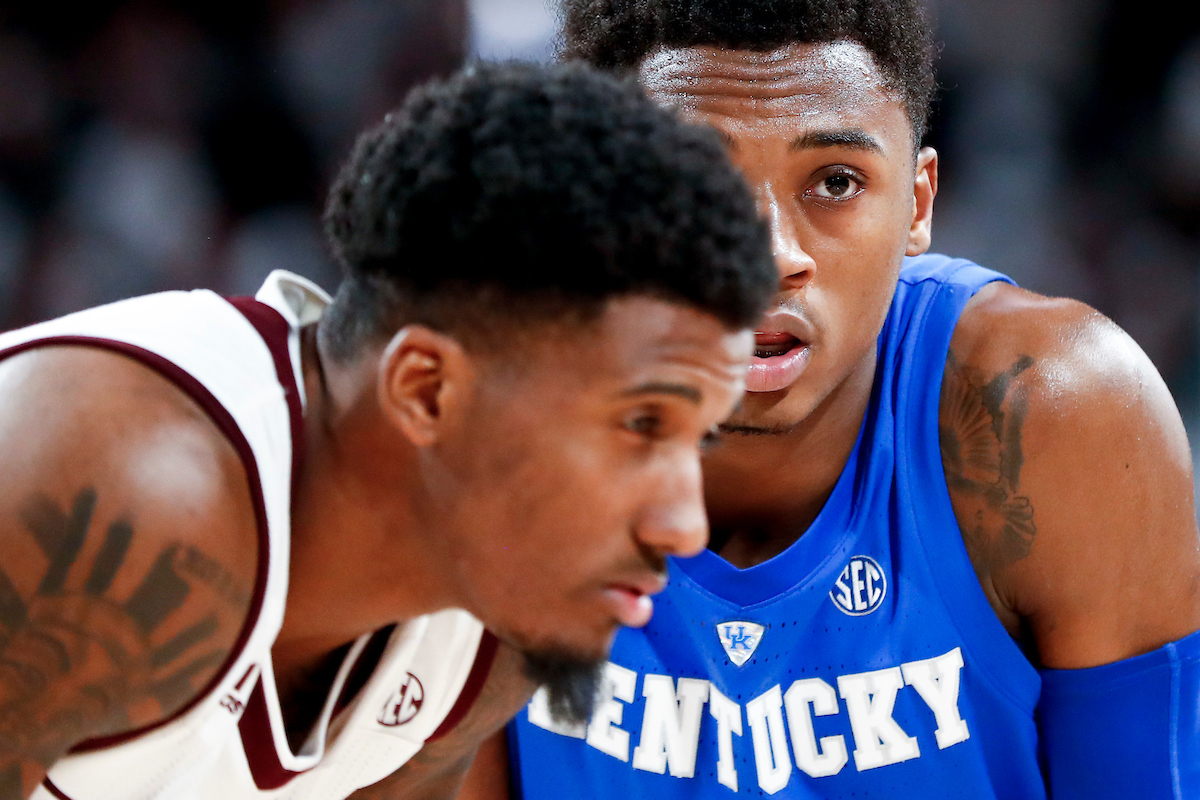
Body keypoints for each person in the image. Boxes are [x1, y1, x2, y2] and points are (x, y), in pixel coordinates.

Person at [476, 1, 1200, 798]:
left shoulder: (1053, 409)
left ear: (918, 203)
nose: (770, 255)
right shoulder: (481, 442)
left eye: (835, 182)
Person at [0, 61, 778, 800]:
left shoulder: (485, 638)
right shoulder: (127, 488)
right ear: (427, 391)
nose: (685, 527)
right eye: (640, 426)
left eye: (697, 441)